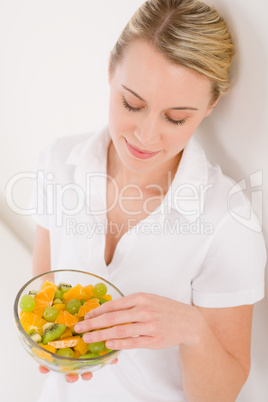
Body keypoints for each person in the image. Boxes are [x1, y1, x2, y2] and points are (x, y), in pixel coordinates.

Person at [31, 0, 266, 401]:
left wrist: (192, 329)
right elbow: (42, 289)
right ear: (110, 70)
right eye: (132, 104)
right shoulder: (59, 161)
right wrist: (48, 345)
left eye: (176, 118)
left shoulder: (229, 223)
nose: (146, 135)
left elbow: (222, 393)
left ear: (210, 106)